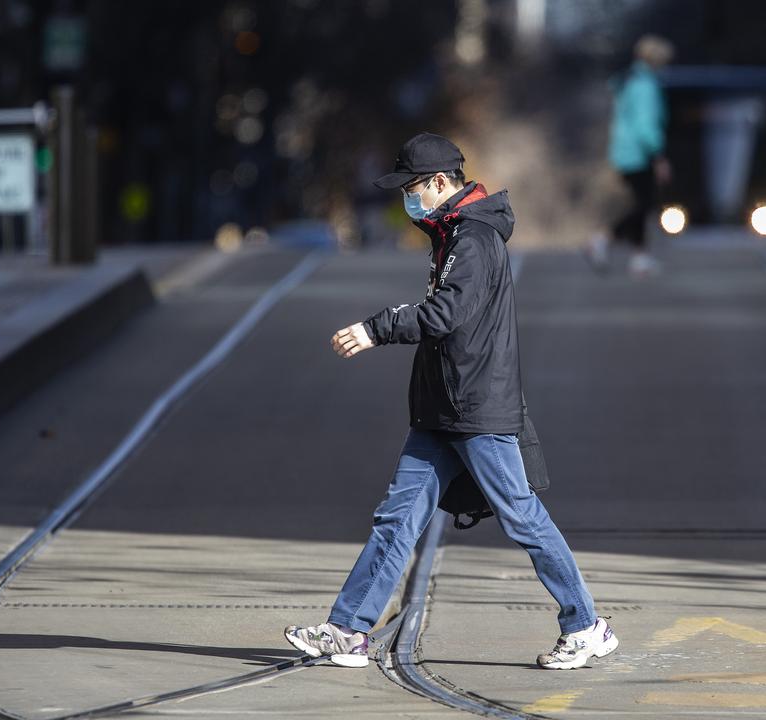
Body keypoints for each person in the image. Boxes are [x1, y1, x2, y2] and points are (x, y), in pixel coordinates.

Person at [285, 133, 618, 670]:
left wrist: (377, 329)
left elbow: (445, 315)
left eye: (411, 188)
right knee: (397, 518)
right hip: (443, 408)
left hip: (475, 408)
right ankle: (348, 630)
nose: (406, 200)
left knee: (523, 518)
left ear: (439, 183)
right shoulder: (452, 233)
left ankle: (585, 625)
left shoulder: (474, 238)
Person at [589, 34, 674, 278]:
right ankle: (602, 240)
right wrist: (659, 155)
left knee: (640, 203)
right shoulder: (646, 86)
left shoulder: (628, 81)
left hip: (623, 151)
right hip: (640, 153)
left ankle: (640, 258)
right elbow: (646, 125)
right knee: (644, 204)